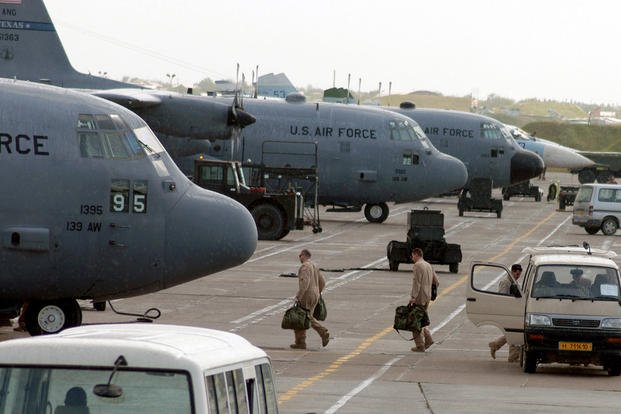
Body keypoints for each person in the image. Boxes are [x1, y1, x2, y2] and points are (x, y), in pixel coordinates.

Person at [290, 249, 330, 350]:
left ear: (303, 256)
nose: (299, 258)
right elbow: (323, 282)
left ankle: (323, 332)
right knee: (302, 318)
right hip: (315, 294)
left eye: (300, 256)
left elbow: (305, 283)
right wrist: (318, 292)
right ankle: (300, 342)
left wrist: (299, 296)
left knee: (304, 317)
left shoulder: (305, 267)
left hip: (307, 295)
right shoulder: (314, 265)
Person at [488, 263, 523, 362]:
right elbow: (502, 298)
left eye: (519, 273)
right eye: (516, 273)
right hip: (508, 312)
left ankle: (495, 345)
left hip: (513, 312)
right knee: (516, 333)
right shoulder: (505, 282)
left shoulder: (514, 282)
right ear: (512, 272)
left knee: (512, 333)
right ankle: (513, 356)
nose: (518, 275)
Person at [409, 248, 439, 352]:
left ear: (416, 255)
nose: (412, 258)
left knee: (415, 321)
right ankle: (429, 339)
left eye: (412, 256)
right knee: (423, 319)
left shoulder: (417, 265)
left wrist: (413, 297)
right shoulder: (428, 265)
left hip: (419, 297)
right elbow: (436, 281)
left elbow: (416, 282)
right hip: (428, 296)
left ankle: (420, 345)